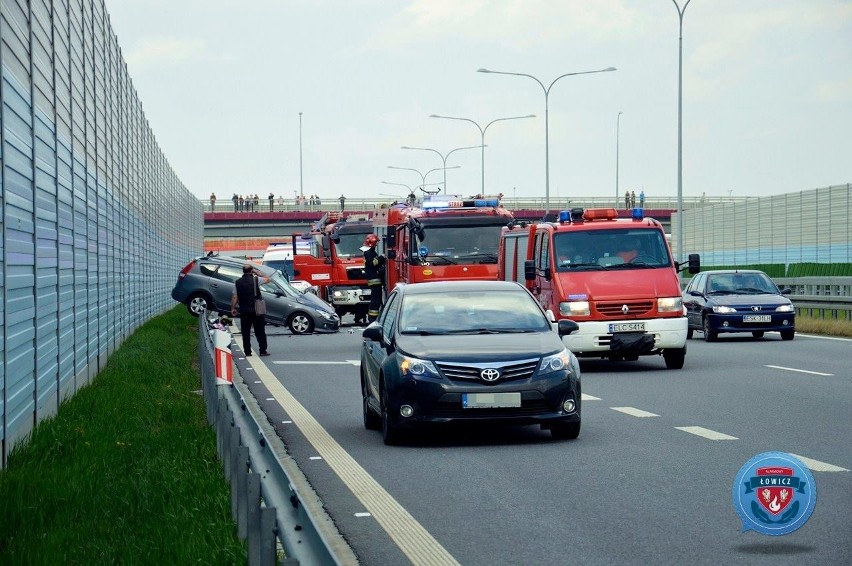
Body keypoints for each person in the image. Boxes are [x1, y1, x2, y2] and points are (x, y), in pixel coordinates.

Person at [230, 263, 270, 357]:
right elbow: (268, 279)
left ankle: (247, 352)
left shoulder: (238, 282)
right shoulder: (256, 280)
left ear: (243, 271)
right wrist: (258, 272)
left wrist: (233, 308)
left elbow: (235, 296)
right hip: (257, 311)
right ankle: (263, 350)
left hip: (244, 311)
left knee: (246, 332)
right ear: (251, 271)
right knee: (260, 331)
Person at [360, 234, 385, 323]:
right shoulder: (368, 252)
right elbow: (372, 263)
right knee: (376, 301)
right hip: (375, 280)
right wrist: (381, 257)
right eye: (375, 242)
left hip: (374, 280)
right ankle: (372, 319)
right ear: (372, 243)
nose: (376, 244)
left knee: (376, 301)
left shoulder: (369, 251)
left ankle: (374, 319)